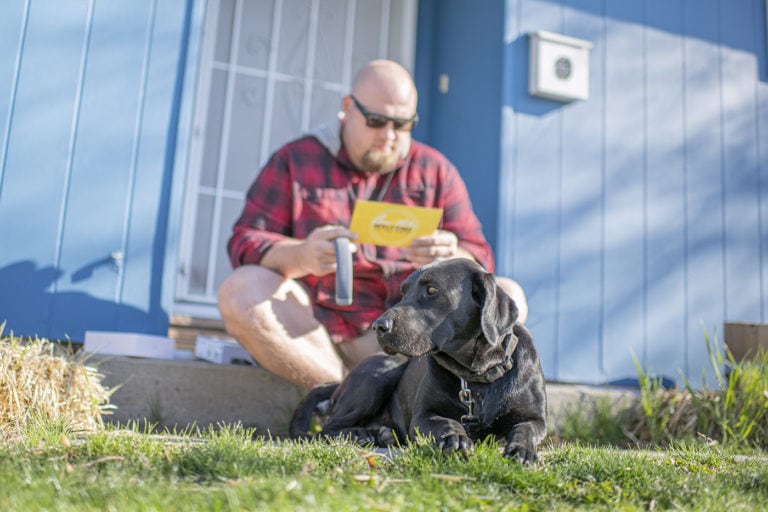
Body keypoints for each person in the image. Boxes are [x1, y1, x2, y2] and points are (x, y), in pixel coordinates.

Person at [217, 59, 528, 390]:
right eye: (376, 121)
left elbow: (481, 259)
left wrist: (453, 255)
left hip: (415, 336)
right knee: (241, 290)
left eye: (402, 125)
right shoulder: (296, 159)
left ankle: (420, 398)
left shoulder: (435, 170)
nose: (388, 136)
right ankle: (341, 398)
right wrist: (300, 255)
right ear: (348, 108)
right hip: (319, 335)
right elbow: (245, 241)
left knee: (509, 295)